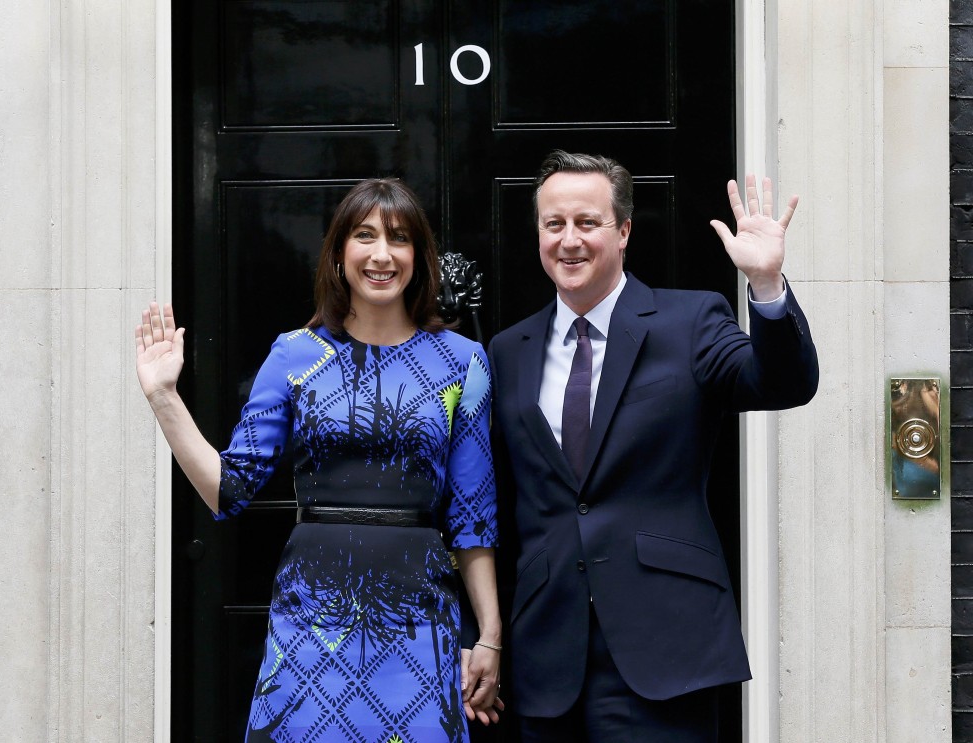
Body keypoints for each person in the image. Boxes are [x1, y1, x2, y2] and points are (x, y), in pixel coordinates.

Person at [135, 178, 502, 742]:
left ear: (418, 257)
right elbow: (228, 491)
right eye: (365, 236)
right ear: (338, 253)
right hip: (313, 614)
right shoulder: (295, 354)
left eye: (399, 239)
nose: (382, 254)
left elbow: (474, 516)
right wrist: (164, 398)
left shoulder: (463, 361)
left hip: (419, 615)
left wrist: (490, 636)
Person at [487, 151, 819, 742]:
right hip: (547, 655)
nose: (569, 241)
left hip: (665, 646)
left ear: (624, 230)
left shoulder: (689, 319)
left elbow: (782, 383)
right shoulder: (510, 350)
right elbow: (502, 502)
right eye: (553, 224)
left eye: (587, 222)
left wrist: (766, 284)